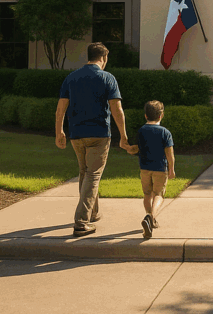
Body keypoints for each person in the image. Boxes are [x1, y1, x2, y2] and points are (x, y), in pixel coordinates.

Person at [55, 42, 131, 237]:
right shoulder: (107, 78)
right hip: (99, 134)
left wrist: (59, 132)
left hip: (76, 134)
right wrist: (123, 135)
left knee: (85, 173)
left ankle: (93, 213)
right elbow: (117, 109)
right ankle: (81, 222)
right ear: (103, 58)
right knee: (93, 175)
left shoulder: (71, 78)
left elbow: (60, 108)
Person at [126, 100, 176, 239]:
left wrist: (128, 149)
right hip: (160, 168)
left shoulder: (141, 131)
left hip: (144, 168)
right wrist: (171, 169)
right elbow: (169, 154)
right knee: (159, 194)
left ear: (146, 116)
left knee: (147, 194)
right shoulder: (165, 133)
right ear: (161, 116)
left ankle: (150, 219)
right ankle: (151, 217)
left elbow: (137, 148)